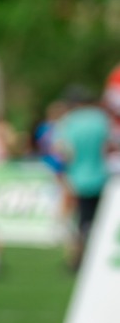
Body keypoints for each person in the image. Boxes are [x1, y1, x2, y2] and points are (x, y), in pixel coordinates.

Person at [52, 84, 111, 270]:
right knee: (95, 221)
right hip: (100, 176)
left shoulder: (69, 121)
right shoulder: (101, 119)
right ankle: (96, 257)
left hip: (76, 178)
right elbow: (109, 146)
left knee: (77, 222)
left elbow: (63, 152)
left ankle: (77, 259)